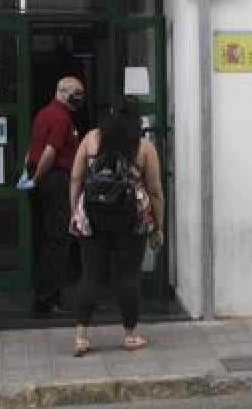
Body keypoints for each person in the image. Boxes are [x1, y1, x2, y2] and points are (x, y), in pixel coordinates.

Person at [68, 96, 165, 357]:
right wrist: (158, 226)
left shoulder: (91, 139)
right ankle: (131, 335)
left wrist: (75, 212)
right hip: (131, 219)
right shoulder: (144, 148)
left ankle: (81, 337)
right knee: (128, 276)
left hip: (93, 216)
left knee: (91, 275)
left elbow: (76, 178)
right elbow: (155, 191)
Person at [26, 76, 85, 314]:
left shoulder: (44, 113)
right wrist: (38, 178)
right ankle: (48, 298)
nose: (80, 97)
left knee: (49, 238)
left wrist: (31, 177)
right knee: (58, 239)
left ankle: (46, 294)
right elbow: (49, 152)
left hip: (43, 178)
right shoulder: (61, 118)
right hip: (54, 179)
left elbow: (32, 149)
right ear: (62, 92)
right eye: (77, 92)